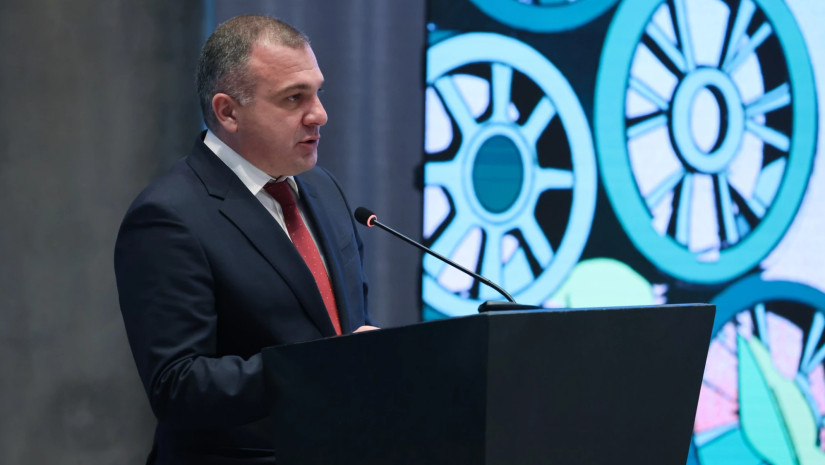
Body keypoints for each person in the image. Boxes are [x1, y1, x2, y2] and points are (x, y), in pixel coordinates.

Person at [114, 15, 376, 464]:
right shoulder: (168, 217)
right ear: (228, 112)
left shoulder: (324, 189)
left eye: (317, 92)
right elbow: (178, 385)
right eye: (294, 98)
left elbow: (342, 329)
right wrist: (327, 366)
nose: (319, 114)